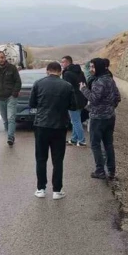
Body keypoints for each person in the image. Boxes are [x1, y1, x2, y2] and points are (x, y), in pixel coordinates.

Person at [29, 62, 76, 199]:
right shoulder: (67, 86)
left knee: (41, 158)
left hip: (41, 125)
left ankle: (41, 189)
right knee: (58, 160)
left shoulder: (38, 83)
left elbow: (32, 104)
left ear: (47, 71)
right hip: (59, 126)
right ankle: (57, 190)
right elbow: (73, 106)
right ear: (60, 72)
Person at [80, 58, 121, 180]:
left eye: (93, 67)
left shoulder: (98, 82)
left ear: (98, 67)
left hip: (98, 119)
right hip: (110, 117)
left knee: (95, 144)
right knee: (108, 144)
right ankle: (111, 171)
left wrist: (83, 89)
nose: (91, 70)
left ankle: (100, 171)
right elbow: (118, 97)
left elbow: (93, 98)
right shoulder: (110, 80)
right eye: (90, 67)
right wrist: (109, 108)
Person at [0, 50, 22, 146]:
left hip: (11, 97)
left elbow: (18, 82)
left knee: (11, 117)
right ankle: (9, 133)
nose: (1, 59)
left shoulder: (12, 68)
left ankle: (10, 137)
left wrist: (14, 93)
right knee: (5, 120)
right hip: (0, 98)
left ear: (5, 57)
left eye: (2, 57)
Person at [60, 55, 88, 147]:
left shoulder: (67, 73)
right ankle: (73, 139)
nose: (62, 64)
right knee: (76, 120)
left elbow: (66, 88)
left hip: (73, 100)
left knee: (75, 121)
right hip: (82, 98)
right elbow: (85, 85)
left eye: (63, 62)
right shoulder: (80, 72)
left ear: (68, 62)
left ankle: (82, 140)